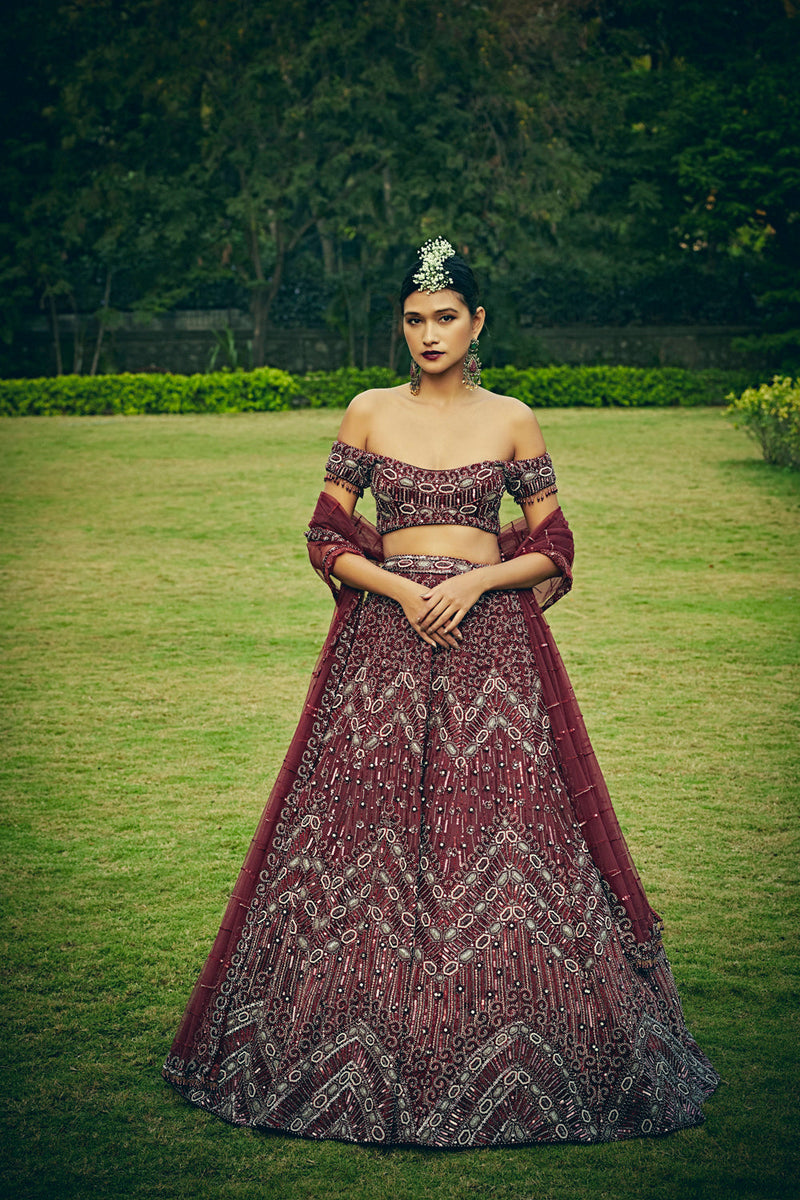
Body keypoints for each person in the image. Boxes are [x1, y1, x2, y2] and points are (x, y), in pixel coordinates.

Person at [162, 237, 719, 1147]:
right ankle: (340, 1028)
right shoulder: (370, 412)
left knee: (503, 829)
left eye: (445, 318)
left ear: (477, 323)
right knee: (361, 835)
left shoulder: (513, 419)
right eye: (415, 320)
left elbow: (554, 546)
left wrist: (475, 583)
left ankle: (525, 1028)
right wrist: (404, 588)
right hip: (382, 640)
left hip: (492, 643)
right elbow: (326, 537)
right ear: (403, 325)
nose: (429, 334)